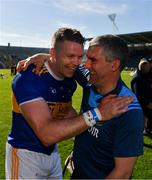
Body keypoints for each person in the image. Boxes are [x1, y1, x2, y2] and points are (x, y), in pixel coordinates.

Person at [6, 28, 132, 179]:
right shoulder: (29, 78)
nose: (77, 63)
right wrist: (98, 113)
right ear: (53, 53)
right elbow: (46, 135)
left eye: (80, 56)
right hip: (25, 154)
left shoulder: (70, 76)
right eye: (70, 56)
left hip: (53, 154)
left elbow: (68, 113)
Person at [131, 58, 152, 134]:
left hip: (147, 101)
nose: (150, 67)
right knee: (142, 118)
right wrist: (147, 103)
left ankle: (147, 129)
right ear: (143, 67)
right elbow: (138, 95)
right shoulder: (137, 78)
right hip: (142, 103)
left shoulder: (145, 74)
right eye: (148, 66)